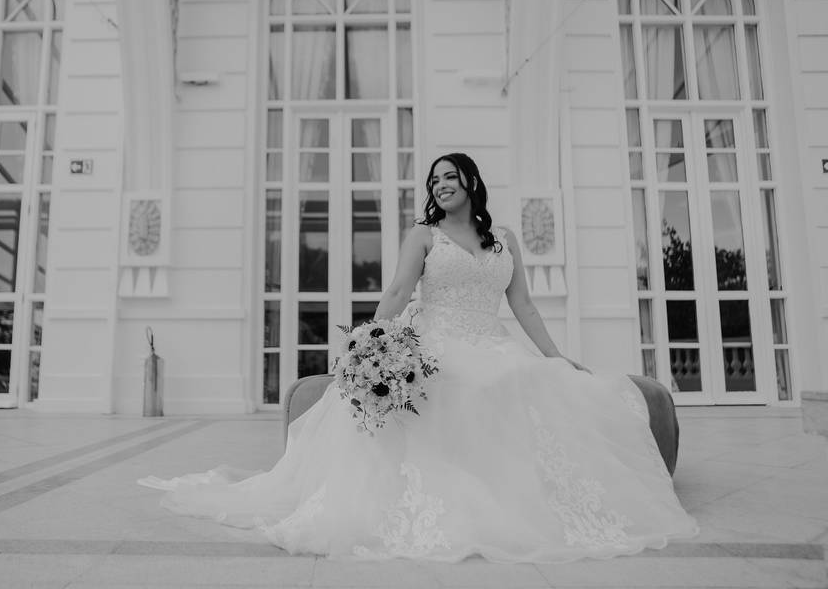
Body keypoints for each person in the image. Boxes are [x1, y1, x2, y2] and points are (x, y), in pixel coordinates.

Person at [138, 153, 698, 563]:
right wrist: (370, 344)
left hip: (493, 338)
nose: (441, 186)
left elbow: (522, 303)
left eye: (450, 177)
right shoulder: (423, 235)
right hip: (437, 341)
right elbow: (397, 294)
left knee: (533, 380)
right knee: (468, 385)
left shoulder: (504, 238)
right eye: (435, 181)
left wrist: (556, 356)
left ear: (472, 182)